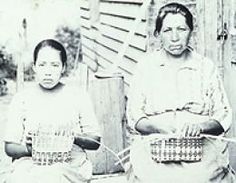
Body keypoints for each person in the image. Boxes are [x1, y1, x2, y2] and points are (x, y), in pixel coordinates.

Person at [127, 2, 235, 183]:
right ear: (158, 34)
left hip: (201, 149)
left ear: (191, 32)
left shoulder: (204, 67)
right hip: (156, 147)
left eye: (182, 29)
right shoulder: (146, 67)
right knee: (151, 177)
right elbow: (134, 116)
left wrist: (200, 127)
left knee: (200, 177)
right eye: (168, 30)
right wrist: (158, 128)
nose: (175, 37)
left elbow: (223, 115)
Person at [4, 39, 101, 183]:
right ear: (35, 67)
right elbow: (9, 147)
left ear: (63, 67)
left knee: (54, 176)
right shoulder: (22, 98)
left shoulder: (78, 96)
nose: (48, 72)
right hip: (31, 165)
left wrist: (70, 138)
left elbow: (95, 142)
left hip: (69, 165)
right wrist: (31, 149)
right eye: (42, 65)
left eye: (54, 65)